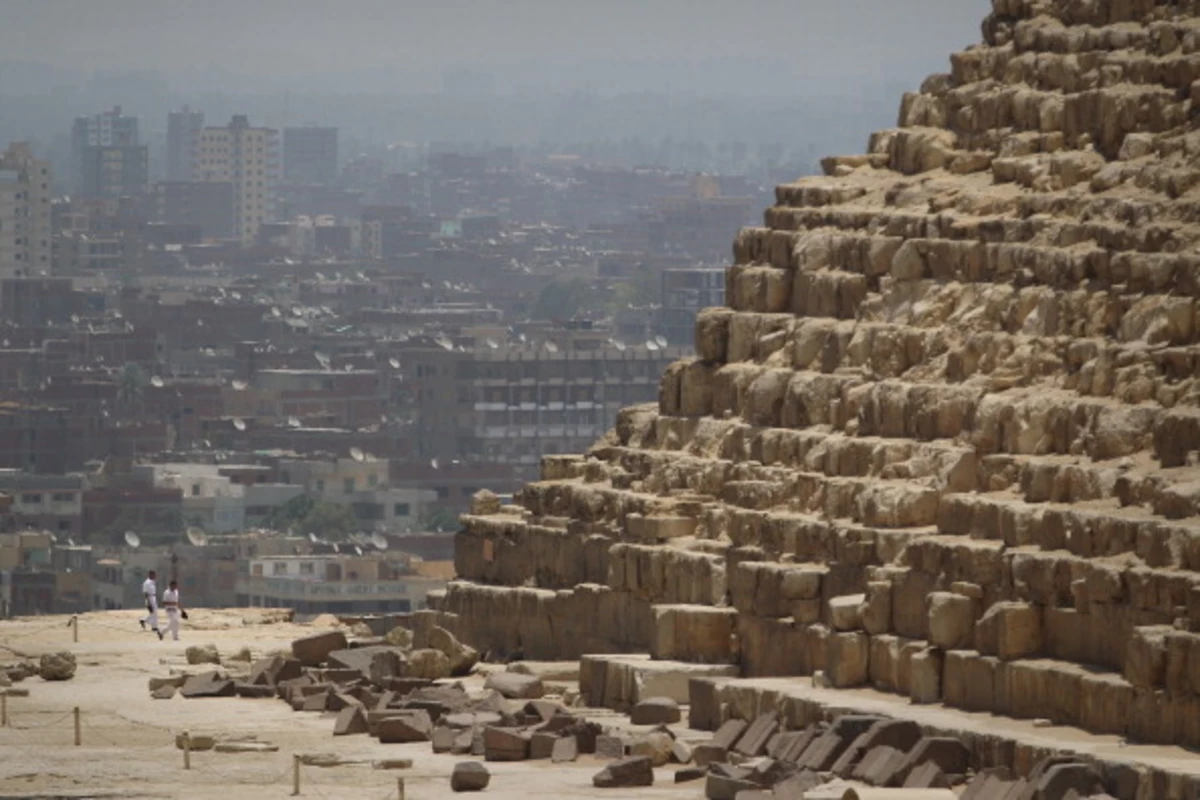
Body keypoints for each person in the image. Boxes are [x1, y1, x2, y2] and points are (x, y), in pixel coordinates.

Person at [139, 570, 164, 640]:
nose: (155, 576)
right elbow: (145, 593)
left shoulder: (153, 582)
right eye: (153, 575)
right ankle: (148, 623)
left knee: (155, 612)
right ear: (150, 575)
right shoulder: (147, 583)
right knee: (154, 612)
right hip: (149, 598)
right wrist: (148, 602)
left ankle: (151, 625)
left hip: (153, 597)